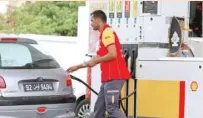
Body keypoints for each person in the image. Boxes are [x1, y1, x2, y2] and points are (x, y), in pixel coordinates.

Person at [67, 10, 131, 118]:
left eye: (92, 20)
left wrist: (97, 60)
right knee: (99, 109)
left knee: (112, 109)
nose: (91, 23)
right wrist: (78, 66)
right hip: (107, 79)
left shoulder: (107, 32)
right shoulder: (103, 36)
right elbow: (96, 58)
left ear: (98, 20)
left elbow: (113, 54)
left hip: (114, 77)